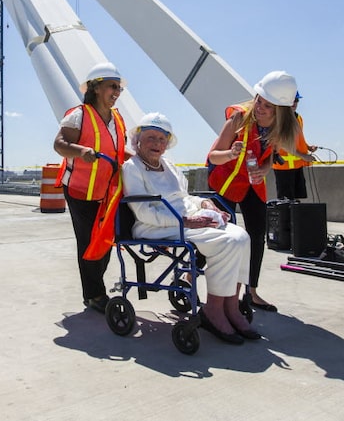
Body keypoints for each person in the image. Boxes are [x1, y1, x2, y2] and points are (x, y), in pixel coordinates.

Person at [122, 113, 260, 344]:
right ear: (138, 140)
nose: (157, 144)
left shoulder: (168, 165)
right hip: (154, 226)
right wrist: (183, 221)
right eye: (151, 138)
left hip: (185, 219)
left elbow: (183, 198)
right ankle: (213, 310)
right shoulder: (132, 168)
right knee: (226, 242)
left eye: (161, 139)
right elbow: (143, 211)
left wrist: (204, 204)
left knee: (242, 237)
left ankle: (231, 306)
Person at [207, 70, 307, 313]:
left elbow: (270, 156)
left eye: (268, 106)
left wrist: (264, 169)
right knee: (216, 234)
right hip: (225, 182)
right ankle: (191, 280)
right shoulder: (239, 118)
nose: (260, 108)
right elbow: (213, 156)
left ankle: (250, 293)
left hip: (252, 184)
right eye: (259, 100)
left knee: (255, 237)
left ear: (281, 110)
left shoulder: (281, 127)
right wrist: (231, 153)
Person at [53, 62, 130, 313]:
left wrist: (143, 158)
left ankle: (95, 287)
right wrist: (80, 151)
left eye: (118, 88)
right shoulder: (79, 115)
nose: (116, 92)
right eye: (112, 87)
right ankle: (94, 295)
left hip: (108, 191)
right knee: (88, 242)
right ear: (96, 88)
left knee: (106, 240)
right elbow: (60, 144)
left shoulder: (117, 119)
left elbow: (119, 151)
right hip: (79, 190)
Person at [273, 91, 317, 200]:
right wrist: (303, 156)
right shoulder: (280, 118)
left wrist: (308, 147)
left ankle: (294, 217)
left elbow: (298, 139)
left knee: (296, 198)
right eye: (292, 100)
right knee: (285, 201)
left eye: (296, 100)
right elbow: (281, 143)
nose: (294, 103)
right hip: (284, 165)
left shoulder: (298, 118)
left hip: (297, 165)